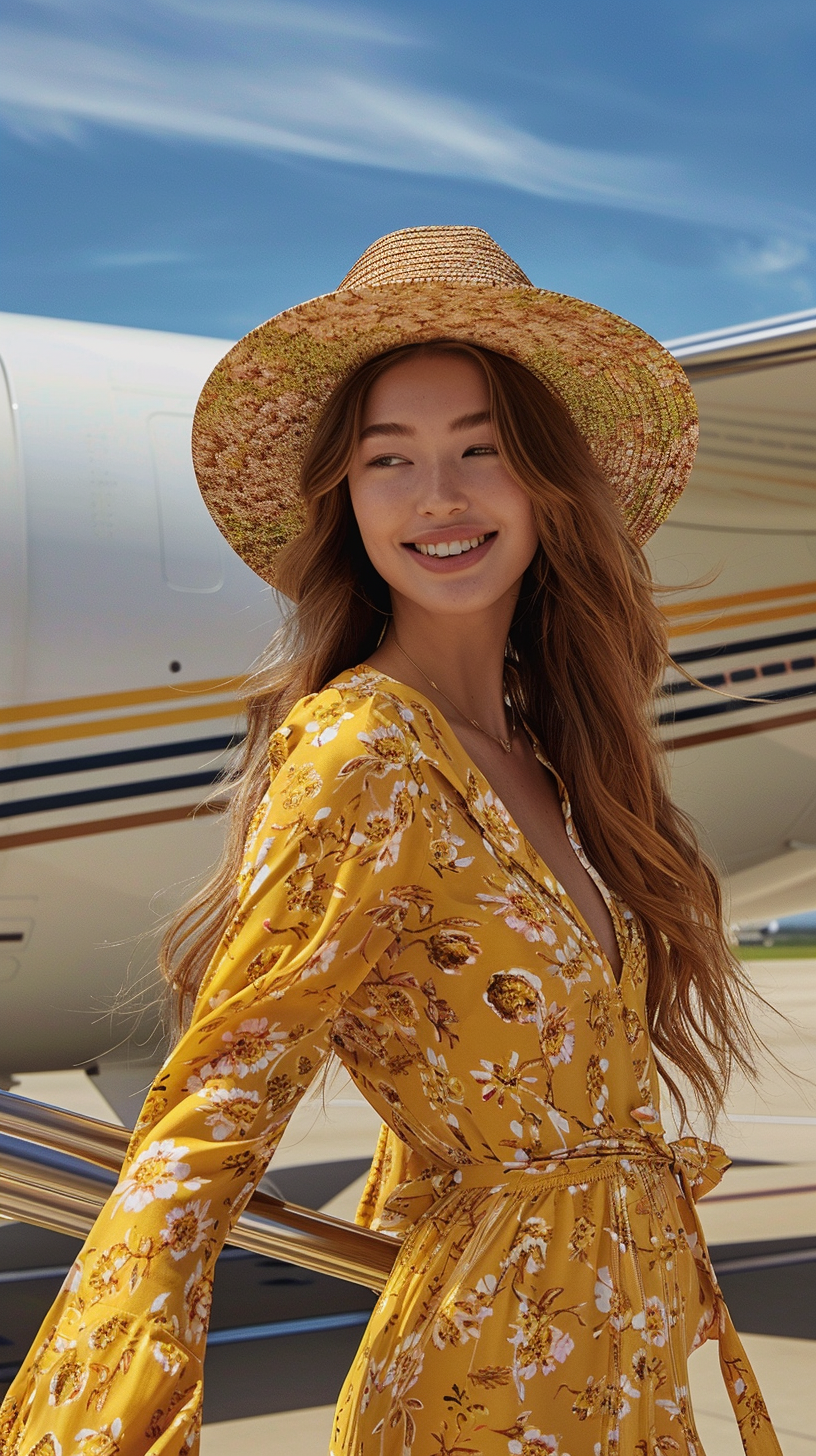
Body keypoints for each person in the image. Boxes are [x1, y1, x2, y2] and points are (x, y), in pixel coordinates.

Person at [1, 226, 782, 1456]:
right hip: (488, 1391)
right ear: (345, 498)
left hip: (621, 1368)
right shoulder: (361, 749)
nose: (439, 498)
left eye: (483, 450)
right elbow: (221, 1091)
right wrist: (105, 1420)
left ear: (544, 484)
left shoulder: (551, 754)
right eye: (389, 460)